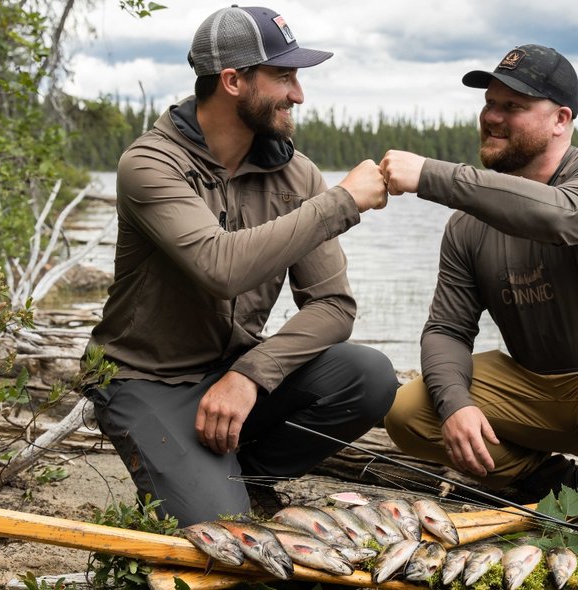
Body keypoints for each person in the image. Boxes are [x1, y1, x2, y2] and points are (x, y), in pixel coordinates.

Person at [83, 4, 398, 526]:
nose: (297, 93)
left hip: (231, 373)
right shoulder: (150, 164)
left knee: (369, 376)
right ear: (232, 80)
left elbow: (334, 307)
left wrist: (252, 374)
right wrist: (342, 201)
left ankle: (241, 473)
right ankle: (205, 485)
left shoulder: (296, 175)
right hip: (145, 381)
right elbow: (219, 266)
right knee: (226, 535)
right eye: (283, 76)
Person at [380, 44, 578, 503]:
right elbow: (446, 329)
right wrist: (456, 406)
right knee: (410, 409)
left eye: (513, 106)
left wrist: (434, 177)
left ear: (561, 120)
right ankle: (559, 487)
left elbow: (561, 215)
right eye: (489, 103)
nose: (492, 116)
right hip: (544, 396)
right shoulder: (467, 225)